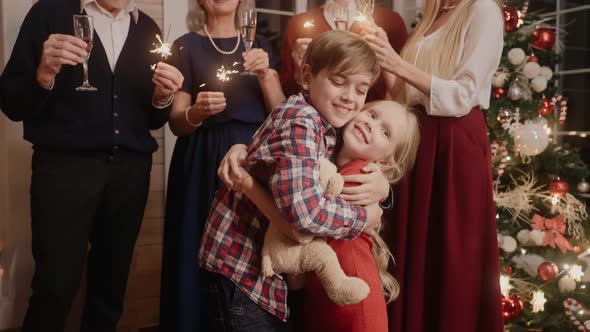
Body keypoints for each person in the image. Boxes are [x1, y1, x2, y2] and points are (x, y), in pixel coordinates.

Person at [0, 0, 183, 331]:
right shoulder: (50, 12)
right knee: (54, 288)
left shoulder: (148, 30)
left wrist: (163, 99)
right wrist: (43, 73)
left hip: (130, 173)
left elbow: (152, 118)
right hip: (64, 171)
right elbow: (12, 102)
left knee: (110, 289)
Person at [199, 30, 390, 331]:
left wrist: (384, 187)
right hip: (241, 266)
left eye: (360, 89)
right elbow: (304, 213)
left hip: (263, 272)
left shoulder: (325, 121)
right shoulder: (301, 121)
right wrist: (362, 218)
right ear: (306, 76)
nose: (349, 97)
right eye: (339, 82)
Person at [361, 0, 504, 331]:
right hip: (418, 139)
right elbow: (403, 94)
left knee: (452, 256)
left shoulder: (483, 10)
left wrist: (397, 61)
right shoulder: (430, 15)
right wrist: (383, 58)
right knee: (410, 247)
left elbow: (462, 94)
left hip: (455, 145)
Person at [220, 100, 421, 332]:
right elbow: (285, 156)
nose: (371, 125)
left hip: (352, 312)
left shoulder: (359, 178)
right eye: (372, 114)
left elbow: (300, 226)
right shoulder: (326, 150)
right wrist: (243, 149)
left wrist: (246, 181)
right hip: (330, 301)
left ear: (385, 161)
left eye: (385, 132)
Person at [158, 0, 285, 331]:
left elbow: (282, 116)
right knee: (195, 249)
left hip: (252, 160)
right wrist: (197, 113)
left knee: (250, 253)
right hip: (202, 160)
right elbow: (176, 122)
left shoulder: (262, 46)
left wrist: (265, 74)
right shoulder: (186, 46)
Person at [279, 0, 408, 102]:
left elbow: (404, 93)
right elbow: (287, 92)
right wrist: (299, 73)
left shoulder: (391, 23)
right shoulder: (298, 24)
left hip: (369, 124)